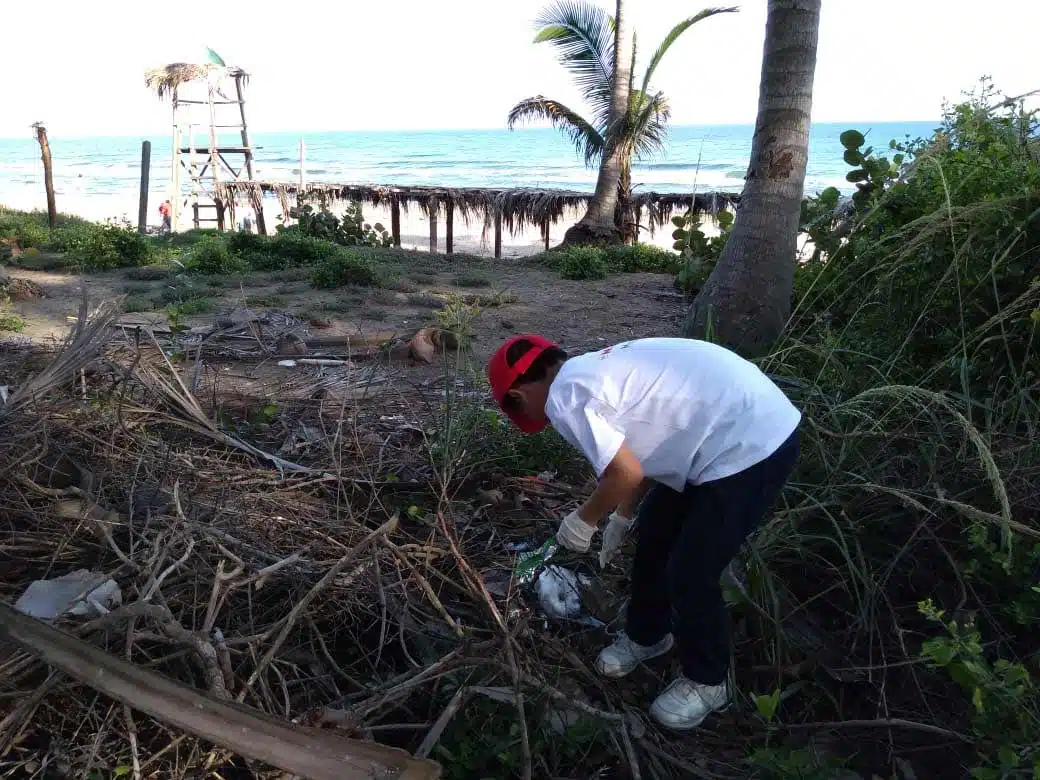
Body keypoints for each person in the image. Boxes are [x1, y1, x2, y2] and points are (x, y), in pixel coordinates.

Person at [487, 335, 801, 730]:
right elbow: (641, 450)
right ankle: (649, 635)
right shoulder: (589, 371)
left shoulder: (564, 397)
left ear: (518, 393)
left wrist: (583, 521)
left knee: (691, 570)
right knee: (653, 535)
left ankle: (709, 681)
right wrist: (623, 513)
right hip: (726, 428)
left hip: (752, 445)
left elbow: (626, 472)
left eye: (519, 408)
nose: (540, 420)